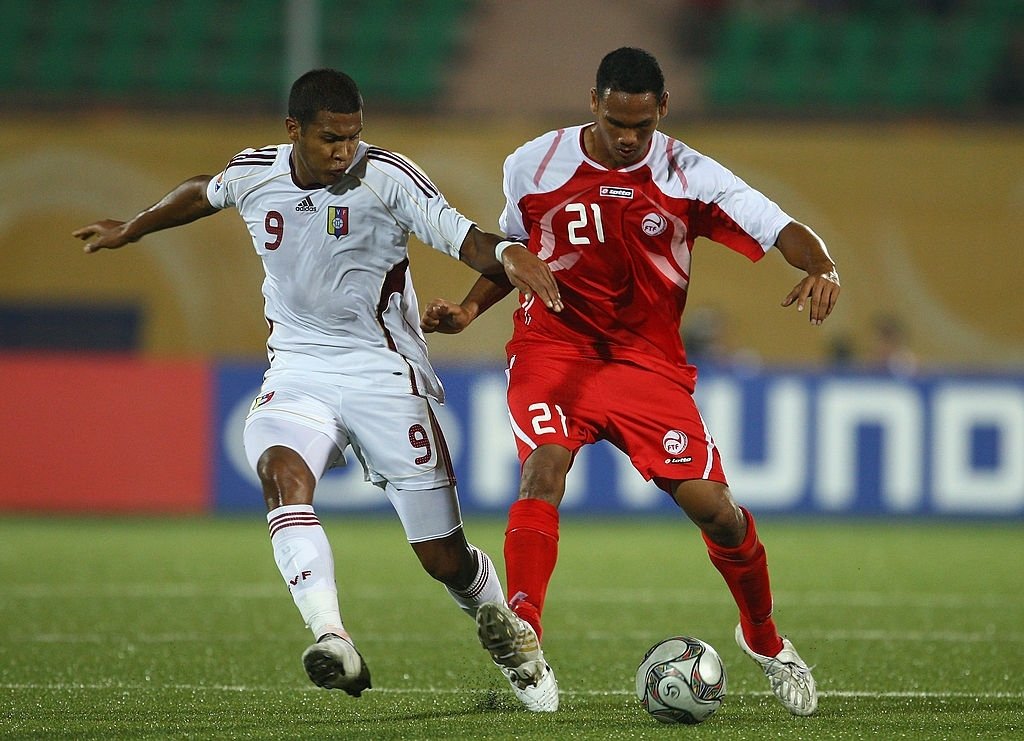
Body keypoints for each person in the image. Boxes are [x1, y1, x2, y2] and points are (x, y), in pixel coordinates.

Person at [72, 68, 562, 706]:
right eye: (331, 139)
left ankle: (511, 639)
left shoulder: (385, 177)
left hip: (385, 372)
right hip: (299, 368)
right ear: (293, 130)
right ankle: (333, 636)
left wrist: (505, 257)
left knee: (443, 559)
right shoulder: (257, 173)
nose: (344, 151)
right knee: (280, 471)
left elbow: (459, 234)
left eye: (354, 137)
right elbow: (202, 191)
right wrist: (132, 228)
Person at [422, 47, 841, 716]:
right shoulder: (531, 163)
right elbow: (513, 252)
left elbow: (780, 224)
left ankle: (763, 636)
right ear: (594, 103)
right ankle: (524, 635)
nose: (627, 138)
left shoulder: (688, 173)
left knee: (719, 513)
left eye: (641, 126)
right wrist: (469, 309)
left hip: (646, 364)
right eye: (617, 122)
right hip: (553, 347)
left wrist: (823, 265)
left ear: (662, 112)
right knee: (542, 472)